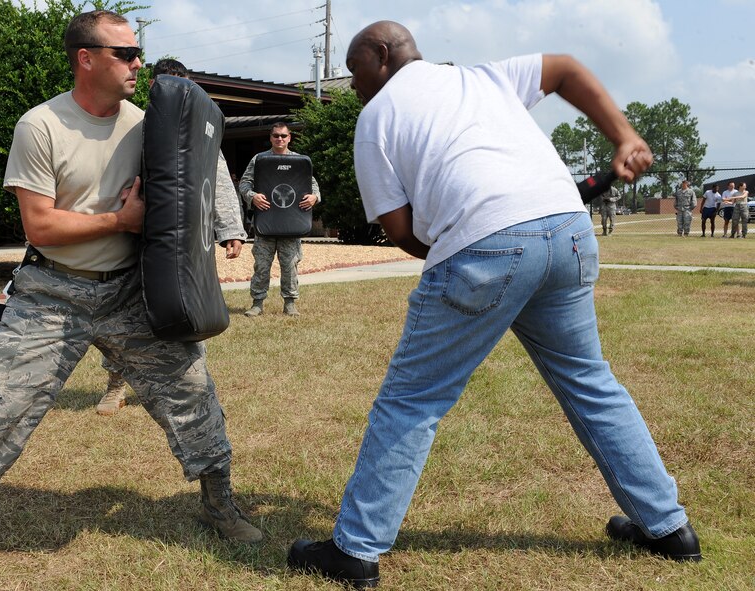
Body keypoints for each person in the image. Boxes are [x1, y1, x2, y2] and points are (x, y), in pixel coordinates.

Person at [286, 21, 701, 589]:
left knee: (412, 402)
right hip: (568, 230)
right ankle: (668, 528)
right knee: (590, 381)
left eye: (357, 74)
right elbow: (564, 69)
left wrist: (473, 255)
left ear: (382, 55)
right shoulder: (483, 78)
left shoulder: (376, 119)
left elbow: (401, 230)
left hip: (486, 245)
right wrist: (623, 136)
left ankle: (356, 549)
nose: (355, 88)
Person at [0, 10, 261, 580]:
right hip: (51, 291)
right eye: (125, 53)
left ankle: (220, 504)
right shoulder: (41, 126)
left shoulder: (150, 126)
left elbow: (192, 189)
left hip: (128, 293)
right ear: (86, 59)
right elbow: (40, 227)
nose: (138, 64)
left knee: (191, 392)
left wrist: (212, 238)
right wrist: (123, 221)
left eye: (138, 52)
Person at [95, 57, 247, 416]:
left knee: (187, 306)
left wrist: (229, 230)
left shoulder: (193, 126)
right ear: (153, 86)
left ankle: (196, 389)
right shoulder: (133, 122)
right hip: (133, 233)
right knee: (121, 314)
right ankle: (116, 382)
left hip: (186, 239)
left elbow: (217, 176)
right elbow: (109, 169)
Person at [238, 122, 321, 317]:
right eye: (276, 135)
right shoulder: (260, 159)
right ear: (270, 138)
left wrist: (314, 197)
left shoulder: (299, 161)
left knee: (290, 264)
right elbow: (244, 183)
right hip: (266, 223)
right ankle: (257, 303)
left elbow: (313, 185)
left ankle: (290, 303)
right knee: (261, 265)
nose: (280, 139)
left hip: (291, 224)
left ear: (289, 137)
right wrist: (252, 196)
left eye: (283, 136)